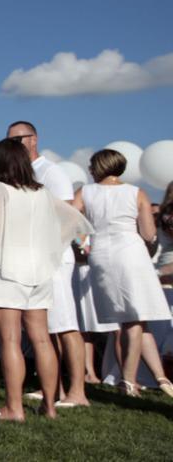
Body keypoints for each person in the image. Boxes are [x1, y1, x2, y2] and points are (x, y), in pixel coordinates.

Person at [0, 139, 92, 422]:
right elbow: (74, 220)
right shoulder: (41, 193)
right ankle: (50, 406)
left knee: (11, 340)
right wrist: (48, 249)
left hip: (6, 269)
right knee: (42, 339)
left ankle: (14, 408)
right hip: (39, 270)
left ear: (1, 163)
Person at [6, 121, 90, 406]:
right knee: (44, 326)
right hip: (34, 258)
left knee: (65, 323)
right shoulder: (23, 173)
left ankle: (78, 390)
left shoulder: (52, 172)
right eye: (11, 140)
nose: (16, 144)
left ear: (34, 139)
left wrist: (50, 247)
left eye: (21, 138)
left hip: (53, 257)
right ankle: (54, 387)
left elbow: (70, 215)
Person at [77, 149, 173, 397]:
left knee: (137, 319)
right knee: (135, 317)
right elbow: (150, 234)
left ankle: (161, 377)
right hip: (131, 253)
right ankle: (129, 380)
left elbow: (68, 217)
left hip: (101, 255)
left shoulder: (86, 192)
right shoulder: (135, 192)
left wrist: (81, 241)